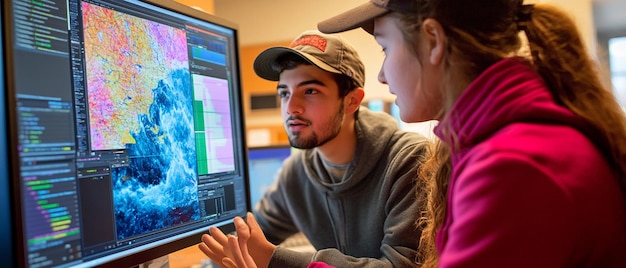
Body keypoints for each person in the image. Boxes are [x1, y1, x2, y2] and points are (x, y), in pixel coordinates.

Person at [315, 0, 626, 267]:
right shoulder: (498, 142)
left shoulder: (512, 166)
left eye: (385, 47)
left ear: (433, 40)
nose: (382, 75)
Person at [198, 30, 433, 268]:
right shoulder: (297, 172)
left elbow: (403, 266)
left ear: (352, 101)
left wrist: (275, 259)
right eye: (284, 93)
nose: (291, 108)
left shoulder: (410, 161)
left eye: (310, 91)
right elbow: (247, 242)